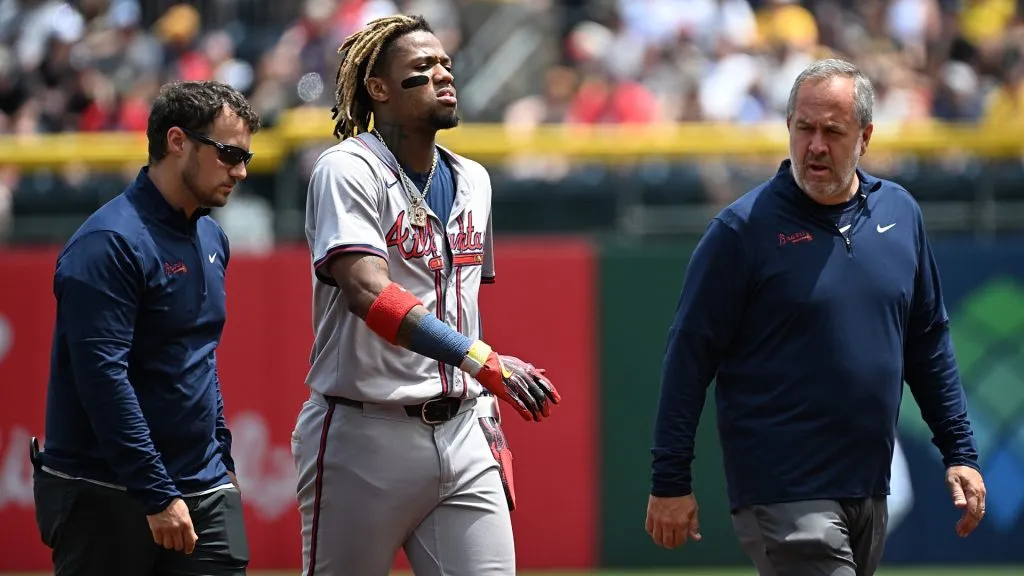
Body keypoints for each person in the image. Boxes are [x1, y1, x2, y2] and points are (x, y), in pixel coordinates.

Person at [644, 58, 987, 576]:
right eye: (804, 128)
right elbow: (688, 357)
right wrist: (670, 480)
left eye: (833, 131)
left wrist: (960, 451)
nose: (816, 145)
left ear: (865, 137)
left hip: (868, 486)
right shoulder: (741, 231)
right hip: (783, 489)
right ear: (788, 127)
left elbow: (927, 342)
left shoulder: (900, 212)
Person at [291, 13, 561, 576]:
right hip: (366, 432)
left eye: (446, 65)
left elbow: (456, 305)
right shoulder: (347, 169)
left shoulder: (475, 180)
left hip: (463, 429)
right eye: (423, 67)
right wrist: (482, 359)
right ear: (379, 88)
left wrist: (478, 376)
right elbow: (372, 296)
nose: (443, 75)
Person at [31, 80, 261, 576]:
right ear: (177, 141)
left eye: (247, 157)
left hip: (201, 486)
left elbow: (199, 356)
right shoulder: (108, 242)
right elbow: (103, 381)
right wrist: (156, 492)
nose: (240, 171)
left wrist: (222, 462)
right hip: (105, 490)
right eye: (228, 153)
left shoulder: (211, 235)